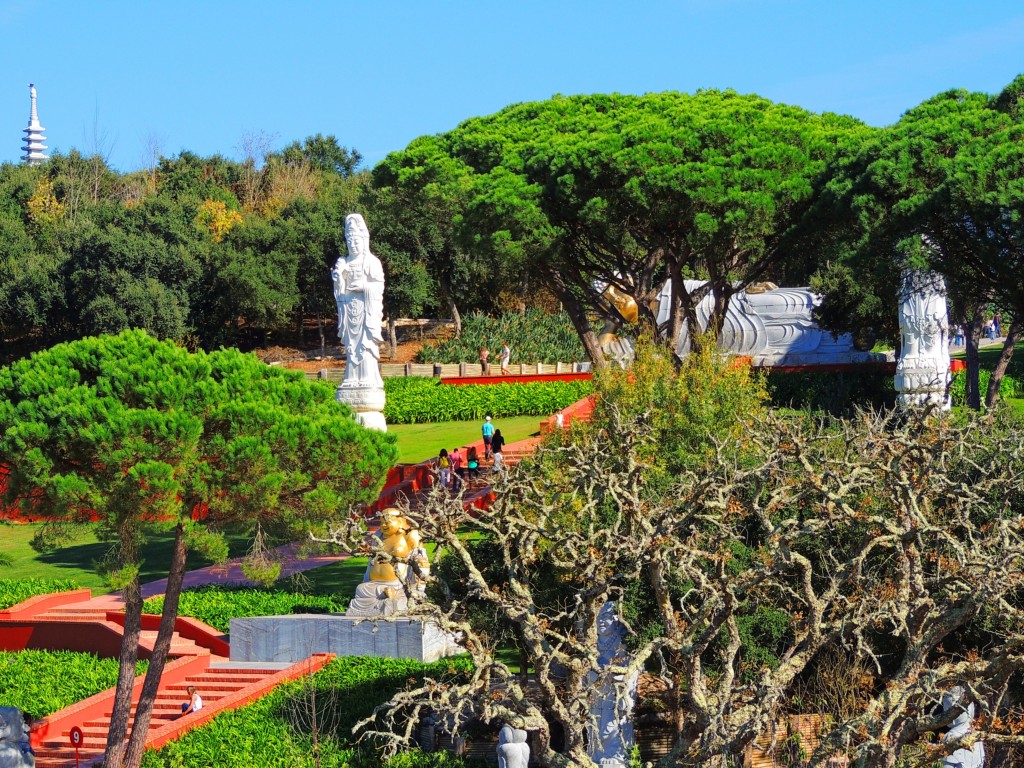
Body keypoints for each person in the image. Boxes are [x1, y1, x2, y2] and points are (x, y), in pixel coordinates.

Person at [332, 213, 386, 388]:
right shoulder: (343, 261)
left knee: (366, 346)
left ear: (364, 240)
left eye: (356, 241)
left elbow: (378, 286)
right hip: (349, 311)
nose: (353, 245)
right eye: (350, 241)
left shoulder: (372, 262)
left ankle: (367, 378)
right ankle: (351, 378)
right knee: (351, 347)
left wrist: (363, 287)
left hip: (366, 312)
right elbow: (339, 290)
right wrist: (338, 279)